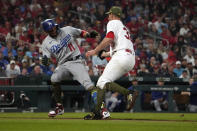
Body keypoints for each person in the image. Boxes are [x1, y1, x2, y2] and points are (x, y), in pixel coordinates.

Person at [85, 6, 135, 119]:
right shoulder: (124, 28)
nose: (108, 17)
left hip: (121, 56)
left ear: (113, 15)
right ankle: (99, 112)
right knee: (102, 83)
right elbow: (118, 47)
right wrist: (104, 54)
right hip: (129, 59)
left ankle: (128, 93)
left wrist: (95, 50)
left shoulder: (113, 23)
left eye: (109, 15)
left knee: (101, 82)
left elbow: (109, 39)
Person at [41, 19, 98, 117]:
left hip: (76, 60)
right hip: (63, 64)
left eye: (53, 27)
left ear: (55, 26)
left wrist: (89, 35)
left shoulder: (67, 29)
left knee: (88, 84)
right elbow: (46, 59)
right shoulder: (46, 43)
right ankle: (59, 107)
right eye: (50, 30)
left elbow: (81, 33)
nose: (53, 30)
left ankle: (101, 108)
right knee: (54, 78)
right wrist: (46, 62)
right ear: (47, 31)